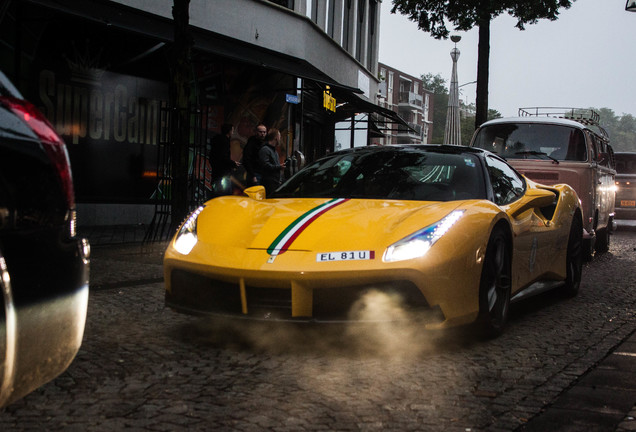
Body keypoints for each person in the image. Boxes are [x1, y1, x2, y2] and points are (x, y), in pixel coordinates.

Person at [208, 123, 239, 197]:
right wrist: (232, 163)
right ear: (229, 131)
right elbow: (223, 157)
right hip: (222, 173)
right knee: (224, 194)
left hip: (216, 172)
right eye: (232, 130)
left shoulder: (216, 141)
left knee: (218, 193)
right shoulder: (224, 142)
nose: (233, 132)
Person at [257, 128, 286, 194]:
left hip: (275, 182)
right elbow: (265, 165)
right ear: (276, 137)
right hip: (268, 183)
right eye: (279, 136)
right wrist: (279, 167)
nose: (280, 139)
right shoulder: (265, 149)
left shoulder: (274, 151)